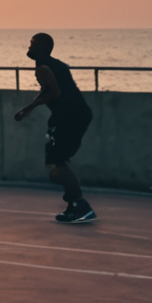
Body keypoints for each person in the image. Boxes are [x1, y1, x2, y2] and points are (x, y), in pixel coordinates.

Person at [15, 33, 96, 224]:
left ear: (42, 48)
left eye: (32, 45)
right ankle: (74, 204)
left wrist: (29, 108)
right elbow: (50, 90)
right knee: (57, 161)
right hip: (74, 115)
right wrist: (29, 107)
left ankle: (79, 204)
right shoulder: (54, 64)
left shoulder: (43, 67)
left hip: (67, 117)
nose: (28, 48)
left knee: (56, 164)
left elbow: (54, 92)